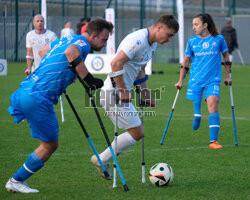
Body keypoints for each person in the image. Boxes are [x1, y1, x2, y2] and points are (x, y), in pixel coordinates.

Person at [5, 18, 113, 193]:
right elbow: (71, 53)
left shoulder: (65, 39)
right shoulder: (82, 44)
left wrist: (60, 75)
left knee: (48, 143)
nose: (105, 43)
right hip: (38, 97)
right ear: (93, 35)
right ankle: (16, 180)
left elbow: (42, 51)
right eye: (104, 39)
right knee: (49, 146)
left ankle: (16, 180)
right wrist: (90, 80)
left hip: (25, 90)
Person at [91, 15, 179, 179]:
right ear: (159, 28)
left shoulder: (152, 45)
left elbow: (140, 69)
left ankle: (102, 159)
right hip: (113, 93)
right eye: (169, 35)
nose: (169, 40)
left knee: (138, 132)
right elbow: (116, 63)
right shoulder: (137, 40)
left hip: (119, 93)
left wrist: (145, 93)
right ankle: (101, 159)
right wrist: (123, 90)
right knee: (137, 132)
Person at [175, 13, 232, 149]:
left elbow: (226, 57)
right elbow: (186, 61)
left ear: (205, 25)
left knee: (213, 104)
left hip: (213, 80)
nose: (194, 27)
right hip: (196, 78)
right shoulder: (192, 41)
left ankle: (213, 141)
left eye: (196, 24)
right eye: (193, 25)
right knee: (197, 99)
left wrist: (227, 76)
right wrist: (180, 80)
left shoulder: (218, 39)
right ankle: (197, 114)